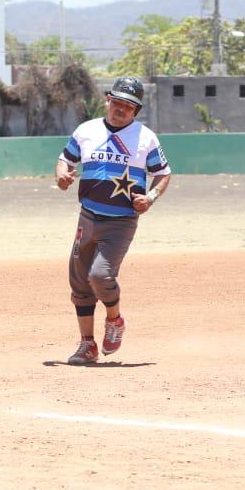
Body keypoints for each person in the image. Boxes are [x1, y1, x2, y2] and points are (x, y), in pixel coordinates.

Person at [54, 76, 172, 365]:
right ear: (108, 100)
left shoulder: (145, 138)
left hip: (121, 221)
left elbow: (163, 173)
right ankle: (87, 345)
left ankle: (114, 319)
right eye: (117, 102)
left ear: (136, 110)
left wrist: (151, 197)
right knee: (79, 281)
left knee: (100, 275)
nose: (120, 109)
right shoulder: (86, 130)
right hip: (87, 216)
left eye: (128, 106)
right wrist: (61, 174)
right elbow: (65, 159)